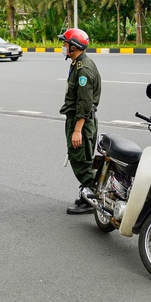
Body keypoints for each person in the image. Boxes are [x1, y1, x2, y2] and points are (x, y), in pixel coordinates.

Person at [58, 28, 102, 214]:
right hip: (80, 121)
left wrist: (77, 130)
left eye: (65, 43)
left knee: (81, 161)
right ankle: (88, 194)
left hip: (81, 123)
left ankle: (93, 198)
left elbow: (85, 103)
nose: (63, 46)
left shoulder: (83, 70)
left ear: (74, 47)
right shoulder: (79, 63)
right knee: (83, 159)